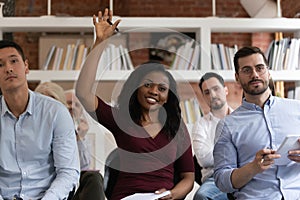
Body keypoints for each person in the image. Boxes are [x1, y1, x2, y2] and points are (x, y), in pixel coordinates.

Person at [75, 8, 195, 200]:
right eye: (147, 84)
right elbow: (83, 92)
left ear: (168, 95)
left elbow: (188, 178)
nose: (154, 91)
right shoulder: (121, 119)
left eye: (162, 88)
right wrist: (100, 43)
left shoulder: (177, 128)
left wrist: (172, 195)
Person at [213, 46, 300, 200]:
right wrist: (253, 167)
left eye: (260, 68)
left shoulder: (297, 109)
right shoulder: (227, 125)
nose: (255, 75)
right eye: (246, 70)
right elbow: (221, 181)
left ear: (268, 71)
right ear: (237, 78)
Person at [0, 40, 80, 200]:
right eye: (0, 64)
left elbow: (68, 172)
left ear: (26, 66)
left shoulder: (56, 112)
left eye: (14, 61)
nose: (8, 68)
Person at [35, 82, 106, 200]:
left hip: (64, 188)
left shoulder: (67, 130)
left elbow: (82, 168)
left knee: (93, 177)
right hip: (37, 187)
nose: (49, 110)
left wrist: (79, 138)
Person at [192, 72, 232, 200]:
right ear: (203, 97)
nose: (213, 95)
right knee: (202, 196)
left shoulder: (242, 119)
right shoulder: (200, 125)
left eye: (216, 89)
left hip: (244, 174)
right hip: (215, 178)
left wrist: (217, 151)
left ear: (226, 90)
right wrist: (235, 151)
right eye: (207, 92)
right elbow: (204, 159)